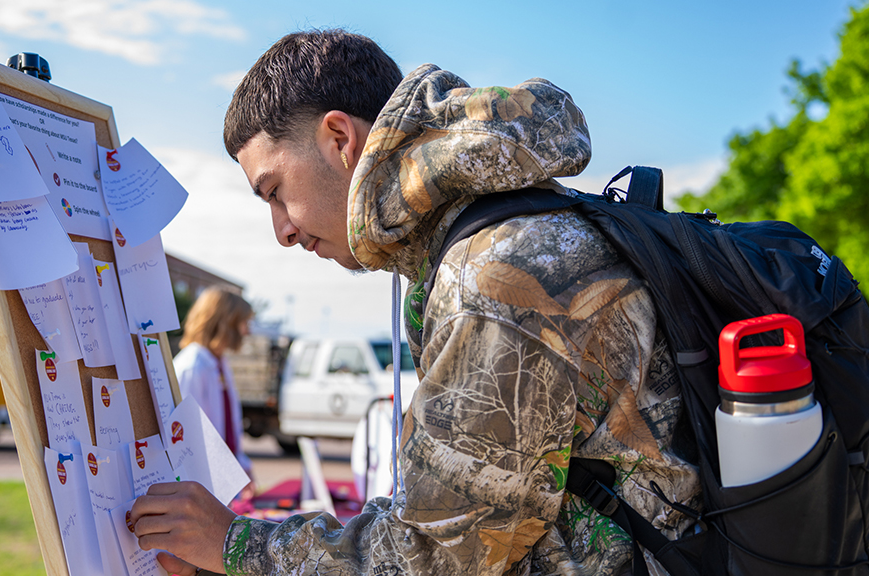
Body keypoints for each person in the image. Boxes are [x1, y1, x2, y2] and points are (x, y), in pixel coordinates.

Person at [131, 29, 700, 576]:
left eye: (275, 191)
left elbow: (435, 555)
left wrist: (235, 543)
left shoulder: (492, 273)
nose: (280, 230)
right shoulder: (482, 236)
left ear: (338, 138)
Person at [172, 286, 256, 502]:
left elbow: (227, 428)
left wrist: (241, 465)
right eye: (243, 323)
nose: (248, 331)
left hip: (220, 483)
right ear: (225, 323)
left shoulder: (218, 362)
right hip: (201, 488)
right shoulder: (192, 367)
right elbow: (187, 436)